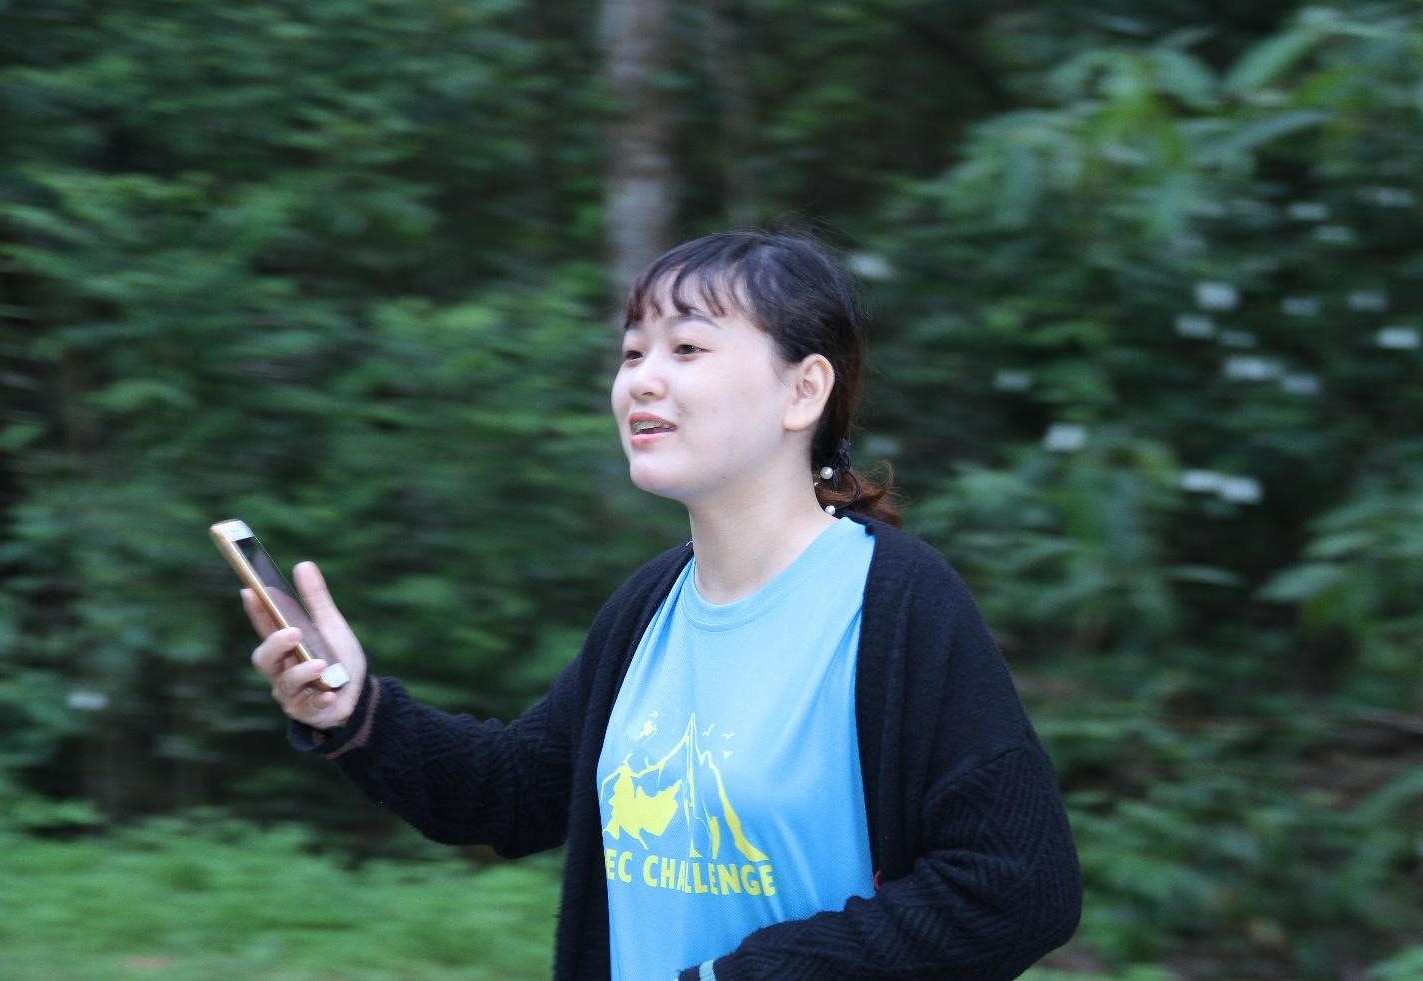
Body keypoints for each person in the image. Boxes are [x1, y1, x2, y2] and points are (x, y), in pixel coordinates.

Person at [245, 229, 1082, 980]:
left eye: (687, 348)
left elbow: (1019, 887)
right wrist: (355, 710)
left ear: (804, 391)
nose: (642, 380)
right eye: (632, 352)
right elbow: (511, 791)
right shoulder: (651, 605)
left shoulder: (897, 604)